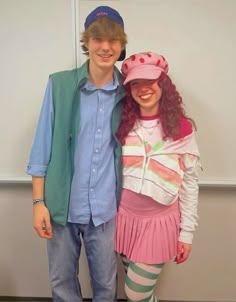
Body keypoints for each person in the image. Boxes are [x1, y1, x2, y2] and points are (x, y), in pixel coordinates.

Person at [26, 6, 127, 302]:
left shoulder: (128, 92)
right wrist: (37, 203)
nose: (105, 47)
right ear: (87, 43)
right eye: (97, 38)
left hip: (106, 210)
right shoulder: (59, 85)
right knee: (62, 285)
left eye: (113, 40)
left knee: (107, 287)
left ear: (121, 45)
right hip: (61, 208)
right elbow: (41, 146)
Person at [115, 52, 201, 301]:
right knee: (136, 292)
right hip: (124, 220)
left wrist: (187, 233)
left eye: (149, 81)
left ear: (162, 83)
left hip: (158, 224)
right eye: (135, 84)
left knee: (135, 294)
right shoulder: (123, 124)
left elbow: (189, 183)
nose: (143, 89)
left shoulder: (181, 128)